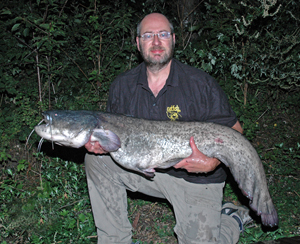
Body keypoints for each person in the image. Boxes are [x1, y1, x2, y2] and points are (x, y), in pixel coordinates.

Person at [84, 13, 252, 244]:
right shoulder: (122, 86)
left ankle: (232, 219)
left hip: (197, 180)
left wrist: (213, 162)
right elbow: (115, 137)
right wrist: (104, 145)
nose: (155, 42)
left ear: (173, 39)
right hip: (148, 173)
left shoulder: (199, 83)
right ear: (137, 43)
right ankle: (114, 239)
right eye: (148, 35)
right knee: (96, 161)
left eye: (163, 34)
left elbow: (236, 132)